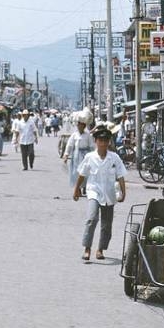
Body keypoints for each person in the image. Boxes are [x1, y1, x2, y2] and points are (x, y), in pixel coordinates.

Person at [73, 125, 127, 261]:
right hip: (93, 191)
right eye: (100, 140)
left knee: (106, 224)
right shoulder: (90, 157)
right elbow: (82, 174)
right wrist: (76, 189)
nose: (103, 143)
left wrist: (123, 192)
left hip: (109, 194)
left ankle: (101, 249)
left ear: (109, 142)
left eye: (105, 141)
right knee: (91, 218)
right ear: (96, 141)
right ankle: (87, 248)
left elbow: (120, 176)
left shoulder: (114, 158)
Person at [63, 110, 94, 187]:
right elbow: (69, 145)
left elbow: (92, 146)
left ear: (84, 126)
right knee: (76, 172)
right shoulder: (74, 135)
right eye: (78, 125)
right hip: (76, 156)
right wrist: (66, 154)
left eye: (81, 125)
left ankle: (85, 187)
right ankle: (78, 187)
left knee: (86, 171)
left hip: (85, 155)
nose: (79, 126)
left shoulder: (88, 135)